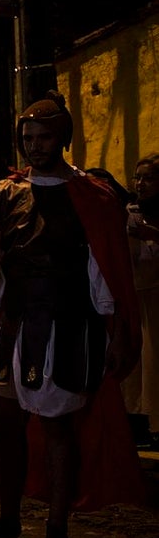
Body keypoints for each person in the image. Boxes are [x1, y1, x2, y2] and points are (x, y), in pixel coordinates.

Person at [0, 91, 145, 538]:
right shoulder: (4, 196)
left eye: (44, 137)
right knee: (6, 421)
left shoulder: (91, 198)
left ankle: (57, 527)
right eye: (28, 138)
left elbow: (104, 268)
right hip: (14, 324)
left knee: (58, 427)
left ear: (62, 139)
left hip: (66, 325)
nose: (35, 145)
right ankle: (8, 519)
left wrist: (116, 330)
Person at [124, 154, 159, 449]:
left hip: (158, 295)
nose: (140, 183)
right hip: (136, 294)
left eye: (148, 178)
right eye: (137, 177)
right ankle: (140, 424)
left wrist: (152, 234)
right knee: (137, 366)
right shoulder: (130, 211)